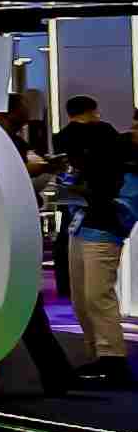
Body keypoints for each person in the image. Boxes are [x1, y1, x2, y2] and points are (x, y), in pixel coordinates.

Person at [63, 95, 130, 382]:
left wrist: (86, 192)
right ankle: (98, 356)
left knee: (96, 295)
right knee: (82, 297)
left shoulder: (116, 149)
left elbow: (114, 197)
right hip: (81, 225)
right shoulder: (108, 143)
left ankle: (112, 358)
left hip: (103, 228)